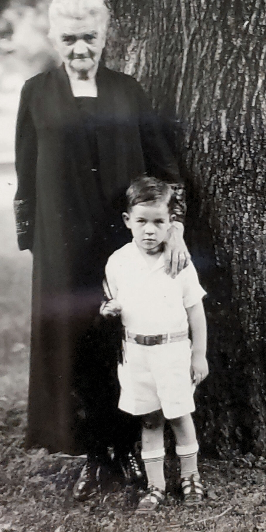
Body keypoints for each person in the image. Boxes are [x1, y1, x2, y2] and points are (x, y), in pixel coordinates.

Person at [14, 0, 188, 500]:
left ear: (105, 37)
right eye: (69, 39)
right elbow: (25, 174)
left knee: (128, 344)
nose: (80, 49)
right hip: (62, 246)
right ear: (54, 39)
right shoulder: (36, 92)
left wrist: (173, 224)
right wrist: (33, 240)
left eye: (89, 37)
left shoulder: (128, 91)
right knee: (77, 344)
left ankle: (130, 447)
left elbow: (164, 167)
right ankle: (93, 453)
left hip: (124, 246)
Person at [101, 176, 208, 513]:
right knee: (149, 419)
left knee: (179, 415)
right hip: (136, 355)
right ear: (127, 221)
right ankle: (156, 485)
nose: (149, 230)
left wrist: (199, 354)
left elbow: (195, 310)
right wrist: (108, 310)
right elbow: (111, 302)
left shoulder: (178, 261)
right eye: (141, 221)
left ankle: (190, 476)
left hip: (172, 352)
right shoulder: (118, 261)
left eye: (159, 222)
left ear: (170, 223)